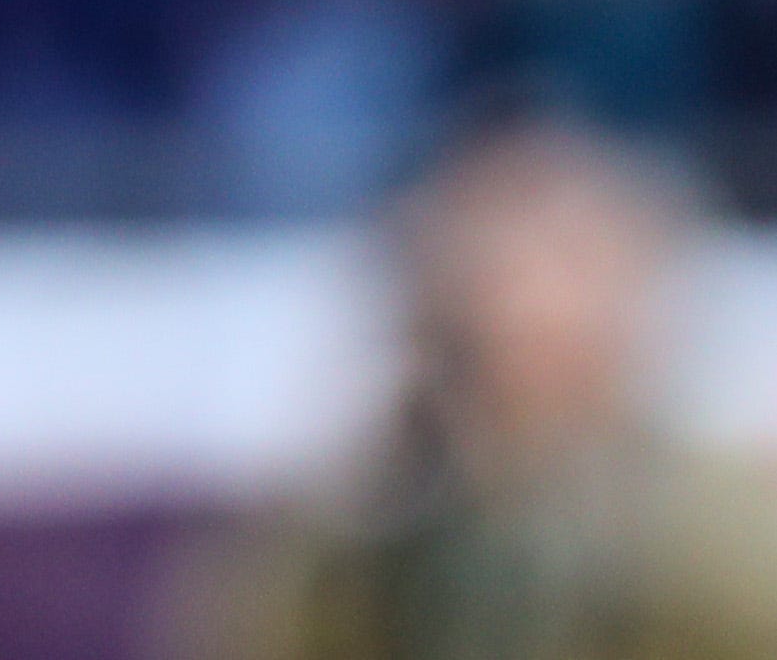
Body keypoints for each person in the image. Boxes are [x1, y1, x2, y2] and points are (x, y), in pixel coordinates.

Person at [174, 120, 777, 660]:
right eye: (510, 267)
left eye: (570, 264)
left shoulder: (709, 518)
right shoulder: (363, 526)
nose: (537, 312)